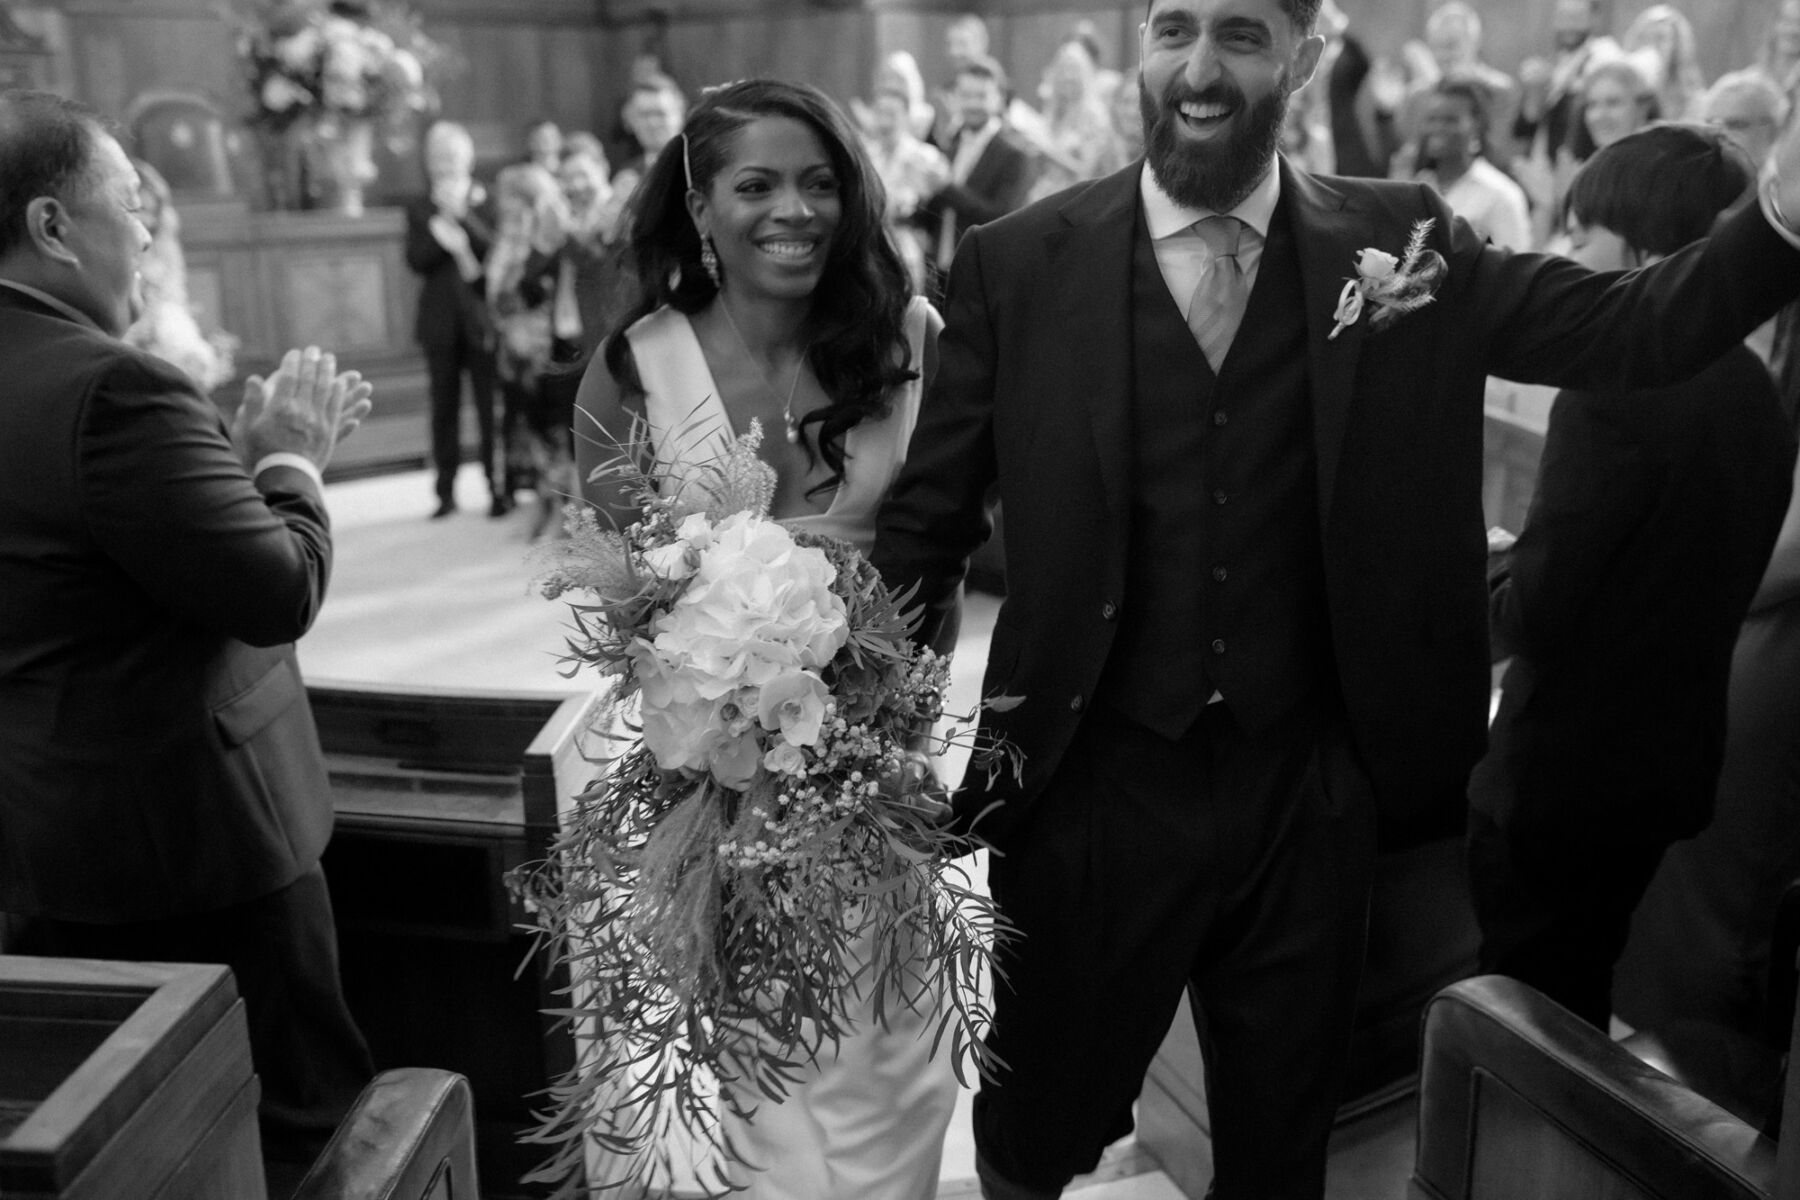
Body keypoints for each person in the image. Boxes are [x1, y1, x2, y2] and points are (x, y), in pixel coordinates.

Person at [867, 0, 1800, 1195]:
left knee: (1279, 1152)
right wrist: (855, 738)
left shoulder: (1404, 242)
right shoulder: (1017, 260)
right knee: (1032, 1131)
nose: (1200, 69)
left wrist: (1778, 216)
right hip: (1086, 792)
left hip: (1308, 796)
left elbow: (1638, 327)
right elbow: (928, 523)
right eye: (1174, 30)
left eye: (1243, 35)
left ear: (1302, 56)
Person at [573, 78, 953, 1199]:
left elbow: (948, 558)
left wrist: (899, 731)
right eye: (758, 184)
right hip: (720, 782)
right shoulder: (635, 365)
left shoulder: (913, 341)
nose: (796, 209)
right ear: (700, 207)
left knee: (896, 1057)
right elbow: (621, 595)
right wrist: (717, 726)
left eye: (821, 182)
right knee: (766, 1062)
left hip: (877, 772)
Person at [0, 89, 375, 1174]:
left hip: (40, 838)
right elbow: (274, 590)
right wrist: (289, 457)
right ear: (53, 228)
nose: (150, 230)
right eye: (132, 205)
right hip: (198, 845)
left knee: (144, 1144)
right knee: (305, 1122)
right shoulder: (112, 387)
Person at [1469, 123, 1796, 1033]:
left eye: (1582, 236)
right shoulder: (1754, 394)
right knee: (1580, 995)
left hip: (1565, 782)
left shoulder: (1615, 387)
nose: (1563, 254)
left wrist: (1481, 564)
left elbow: (1540, 612)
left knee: (1522, 1023)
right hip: (1664, 769)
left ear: (1647, 253)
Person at [404, 120, 501, 519]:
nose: (445, 164)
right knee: (443, 406)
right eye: (437, 158)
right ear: (428, 163)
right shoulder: (419, 206)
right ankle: (445, 490)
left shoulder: (486, 199)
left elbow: (492, 250)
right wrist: (438, 227)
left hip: (480, 318)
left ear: (469, 159)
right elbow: (417, 260)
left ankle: (498, 485)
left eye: (452, 156)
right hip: (439, 322)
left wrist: (460, 216)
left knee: (487, 405)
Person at [920, 55, 1039, 282]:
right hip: (941, 269)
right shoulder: (951, 145)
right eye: (966, 96)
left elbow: (1001, 216)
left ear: (998, 98)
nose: (973, 104)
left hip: (985, 271)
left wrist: (946, 187)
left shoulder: (1015, 153)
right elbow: (939, 213)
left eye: (981, 96)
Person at [123, 157, 237, 391]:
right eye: (140, 210)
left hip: (160, 318)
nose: (147, 220)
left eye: (153, 212)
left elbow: (173, 293)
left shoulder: (163, 240)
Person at [1401, 78, 1531, 250]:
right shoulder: (1417, 187)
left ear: (1476, 126)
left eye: (1450, 120)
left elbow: (1516, 267)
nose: (1437, 128)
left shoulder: (1501, 194)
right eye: (1432, 119)